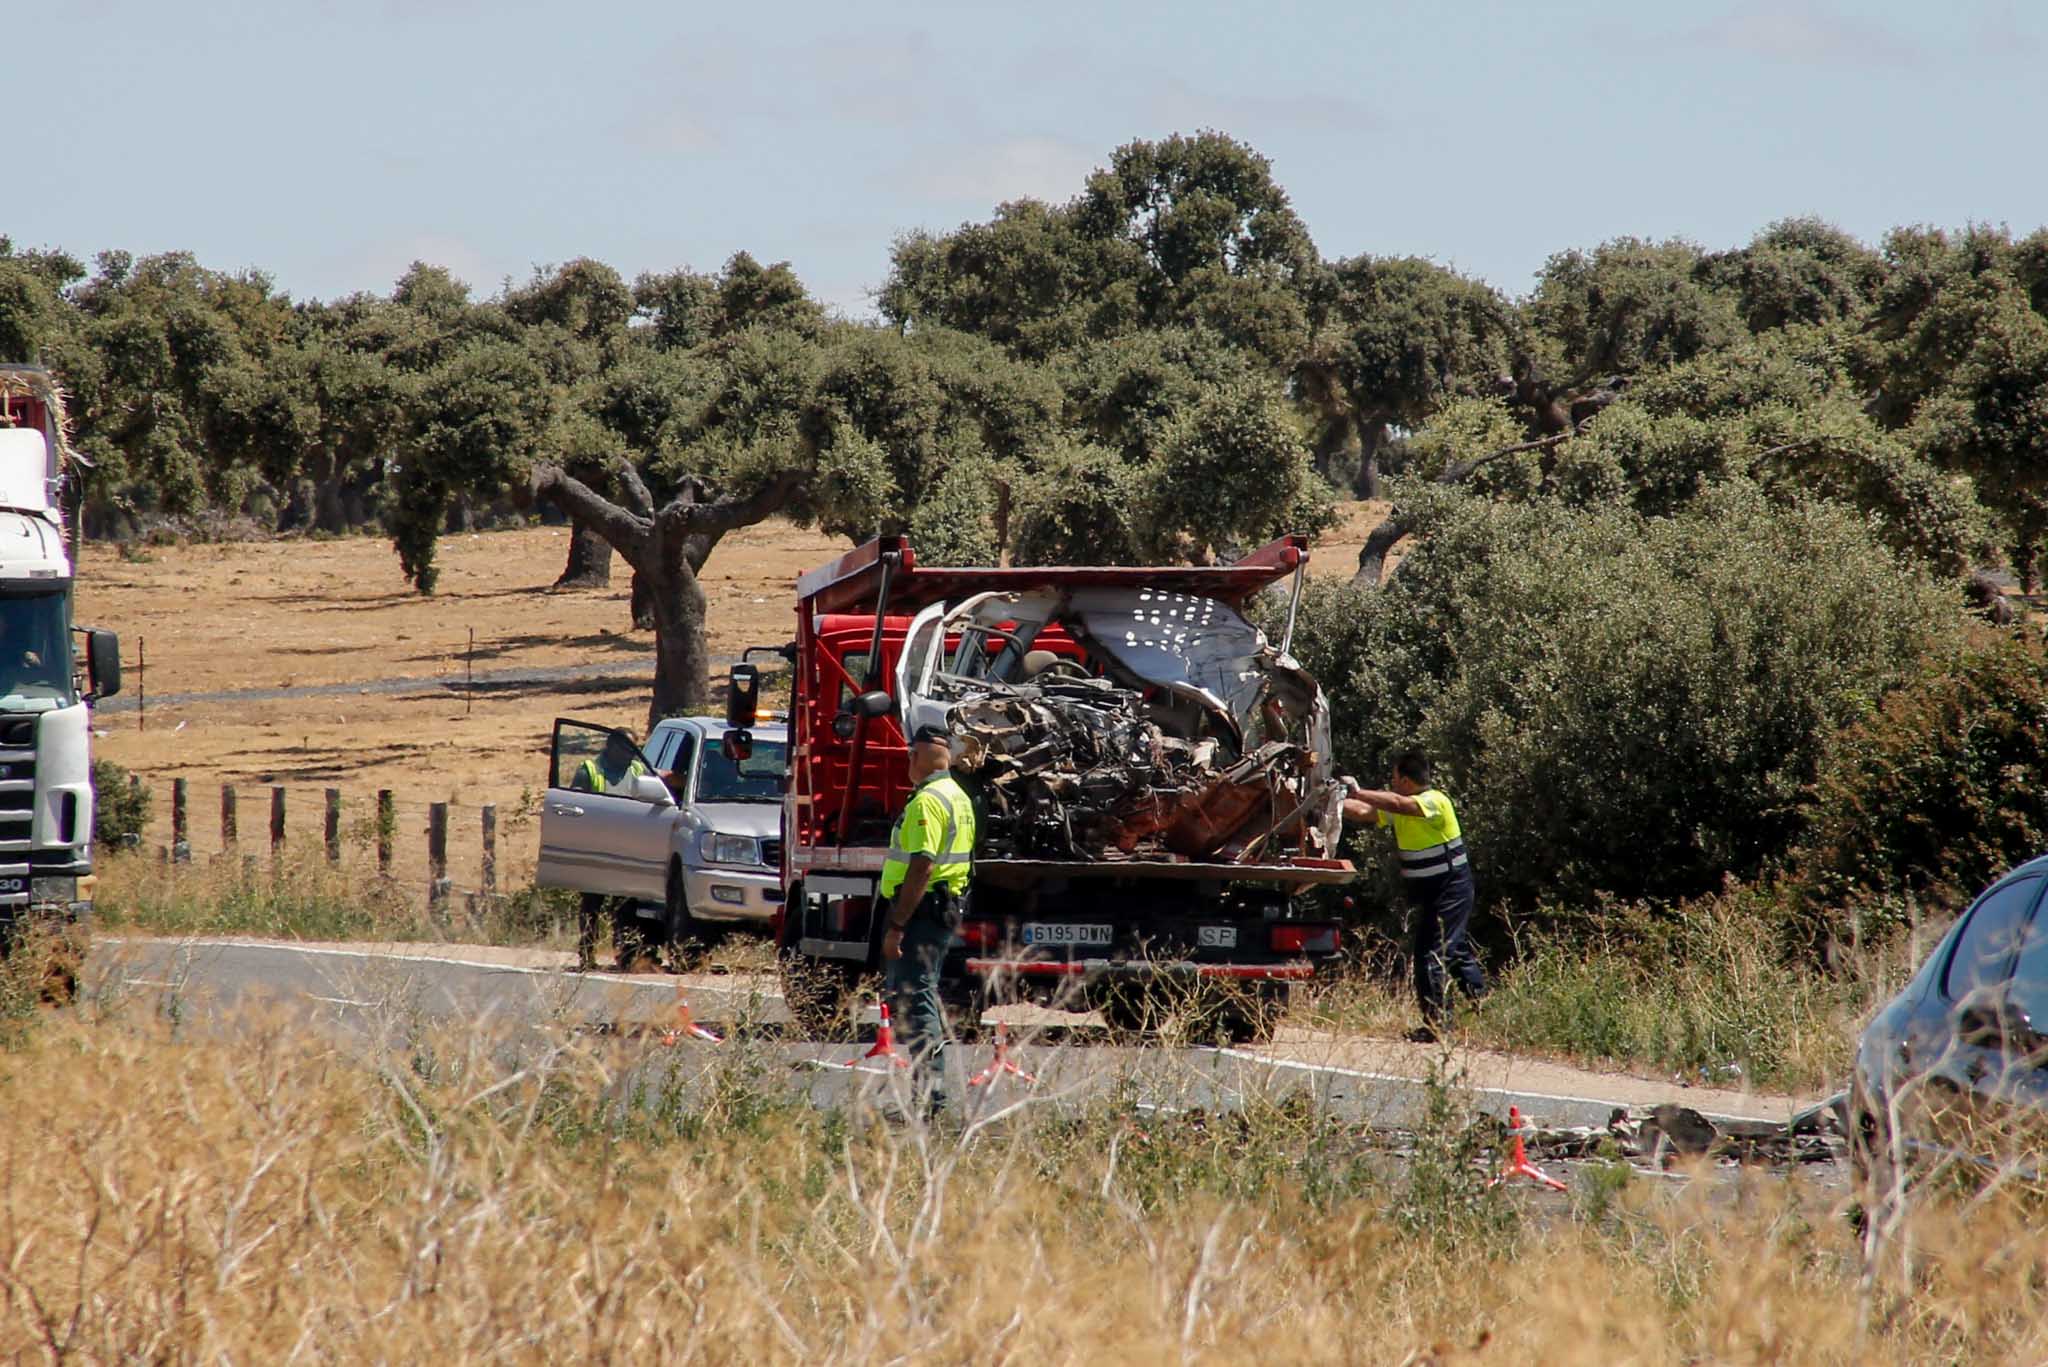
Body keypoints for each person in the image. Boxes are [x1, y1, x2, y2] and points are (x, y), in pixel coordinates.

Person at [1344, 748, 1484, 1041]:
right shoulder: (1400, 806)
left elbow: (1397, 803)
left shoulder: (1434, 801)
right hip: (1434, 892)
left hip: (1451, 888)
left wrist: (1359, 790)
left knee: (1430, 955)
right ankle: (1483, 1008)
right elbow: (1365, 813)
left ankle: (1436, 1027)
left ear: (1406, 781)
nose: (1392, 783)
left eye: (1394, 778)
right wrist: (1329, 799)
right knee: (1454, 951)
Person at [879, 722, 977, 1117]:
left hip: (922, 910)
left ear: (916, 756)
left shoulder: (928, 801)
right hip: (942, 905)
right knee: (925, 997)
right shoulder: (957, 795)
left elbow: (922, 865)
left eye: (910, 754)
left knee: (917, 999)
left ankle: (929, 1102)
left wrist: (897, 925)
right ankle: (929, 1097)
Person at [568, 730, 673, 971]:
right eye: (627, 749)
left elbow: (656, 785)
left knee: (626, 908)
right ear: (611, 746)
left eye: (634, 749)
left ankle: (625, 956)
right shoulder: (589, 771)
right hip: (597, 850)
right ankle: (586, 955)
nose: (631, 754)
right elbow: (576, 806)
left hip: (627, 850)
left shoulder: (637, 770)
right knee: (591, 907)